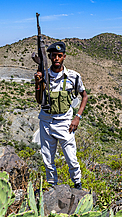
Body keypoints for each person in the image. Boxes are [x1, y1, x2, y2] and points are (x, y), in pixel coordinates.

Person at [34, 41, 88, 189]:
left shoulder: (73, 76)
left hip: (65, 121)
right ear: (50, 57)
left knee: (71, 157)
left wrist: (77, 117)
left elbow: (84, 96)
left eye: (59, 55)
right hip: (46, 120)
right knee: (47, 157)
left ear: (64, 56)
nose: (56, 58)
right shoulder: (44, 75)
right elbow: (39, 99)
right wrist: (38, 83)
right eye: (53, 56)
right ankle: (52, 186)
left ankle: (77, 184)